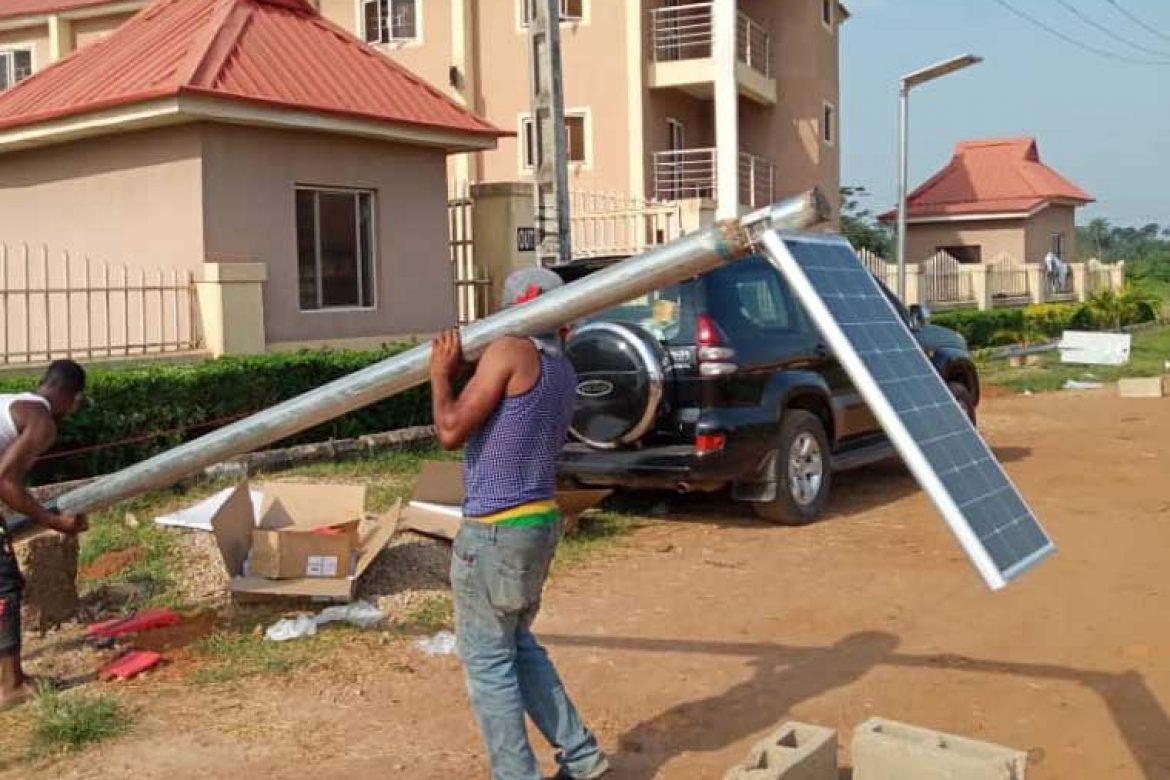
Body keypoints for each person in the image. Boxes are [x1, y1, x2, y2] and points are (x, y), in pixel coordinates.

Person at [429, 268, 608, 780]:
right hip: (538, 522)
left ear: (513, 310)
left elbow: (450, 430)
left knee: (489, 663)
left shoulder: (509, 351)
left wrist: (440, 373)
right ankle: (583, 757)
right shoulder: (561, 366)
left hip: (494, 531)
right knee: (519, 647)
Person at [0, 360, 89, 710]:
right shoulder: (42, 420)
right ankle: (11, 686)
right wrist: (55, 521)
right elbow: (5, 480)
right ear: (75, 398)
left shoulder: (12, 403)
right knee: (3, 584)